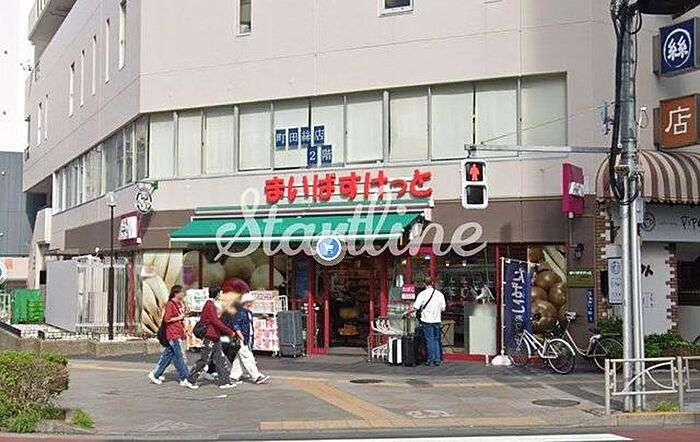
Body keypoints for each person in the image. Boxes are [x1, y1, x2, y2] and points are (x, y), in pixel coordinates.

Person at [186, 286, 237, 389]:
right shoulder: (209, 305)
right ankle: (190, 380)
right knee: (204, 360)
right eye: (220, 293)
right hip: (210, 336)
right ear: (217, 294)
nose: (221, 295)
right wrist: (229, 332)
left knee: (220, 359)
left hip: (214, 336)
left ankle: (225, 382)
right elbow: (215, 321)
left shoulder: (211, 304)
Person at [148, 285, 199, 389]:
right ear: (176, 293)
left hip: (177, 333)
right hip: (173, 334)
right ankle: (184, 378)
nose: (183, 294)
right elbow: (167, 319)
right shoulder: (170, 304)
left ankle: (155, 374)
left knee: (168, 355)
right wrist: (179, 317)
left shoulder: (177, 304)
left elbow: (182, 315)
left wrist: (183, 310)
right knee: (179, 357)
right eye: (182, 292)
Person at [404, 277, 446, 366]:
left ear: (424, 284)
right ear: (432, 283)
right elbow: (443, 308)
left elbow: (415, 308)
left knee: (430, 340)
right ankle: (438, 359)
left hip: (427, 320)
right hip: (437, 320)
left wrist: (407, 312)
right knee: (436, 339)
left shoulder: (422, 294)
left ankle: (431, 359)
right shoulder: (440, 294)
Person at [230, 293, 270, 384]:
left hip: (248, 338)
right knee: (248, 358)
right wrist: (241, 336)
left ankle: (233, 376)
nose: (252, 303)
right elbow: (235, 325)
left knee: (240, 358)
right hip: (243, 339)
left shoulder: (248, 312)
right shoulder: (240, 312)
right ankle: (256, 376)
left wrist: (261, 317)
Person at [203, 300, 240, 382]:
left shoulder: (229, 314)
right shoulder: (226, 314)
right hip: (223, 337)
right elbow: (222, 325)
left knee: (220, 355)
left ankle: (216, 372)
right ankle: (212, 372)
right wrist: (231, 332)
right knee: (221, 355)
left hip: (224, 337)